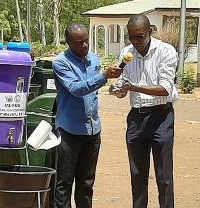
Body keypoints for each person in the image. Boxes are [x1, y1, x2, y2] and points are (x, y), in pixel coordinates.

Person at [52, 23, 123, 208]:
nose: (84, 45)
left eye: (86, 41)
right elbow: (76, 89)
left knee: (86, 183)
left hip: (92, 131)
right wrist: (104, 77)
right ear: (68, 42)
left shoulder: (93, 59)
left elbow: (94, 90)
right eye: (79, 42)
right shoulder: (60, 63)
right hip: (69, 131)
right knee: (64, 183)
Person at [111, 15, 178, 208]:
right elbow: (123, 89)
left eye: (140, 37)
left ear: (150, 32)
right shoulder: (126, 53)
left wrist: (134, 87)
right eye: (131, 37)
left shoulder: (166, 51)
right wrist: (117, 89)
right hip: (136, 118)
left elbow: (165, 88)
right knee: (138, 173)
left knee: (163, 175)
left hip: (161, 117)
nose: (135, 42)